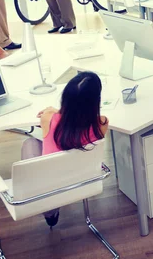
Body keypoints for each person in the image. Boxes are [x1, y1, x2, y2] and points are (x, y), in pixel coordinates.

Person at [20, 71, 109, 228]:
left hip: (50, 188)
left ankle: (49, 209)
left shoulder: (48, 118)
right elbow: (78, 126)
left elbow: (59, 118)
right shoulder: (101, 124)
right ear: (96, 101)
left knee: (30, 143)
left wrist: (53, 111)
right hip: (83, 181)